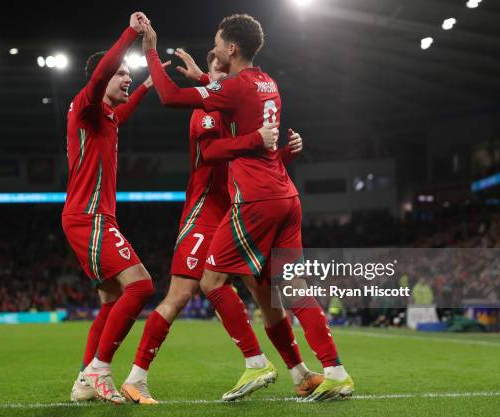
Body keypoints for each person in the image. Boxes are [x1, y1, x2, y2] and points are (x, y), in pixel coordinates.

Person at [142, 14, 354, 402]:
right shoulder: (268, 82)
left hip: (256, 200)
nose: (216, 48)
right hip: (287, 197)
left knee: (211, 281)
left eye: (219, 43)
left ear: (232, 48)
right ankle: (335, 371)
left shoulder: (237, 87)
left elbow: (170, 98)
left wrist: (151, 51)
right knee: (292, 290)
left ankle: (256, 362)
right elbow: (236, 101)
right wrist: (204, 79)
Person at [120, 50, 321, 404]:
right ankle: (137, 378)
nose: (223, 76)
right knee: (181, 293)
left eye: (224, 71)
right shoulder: (206, 111)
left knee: (267, 297)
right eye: (216, 71)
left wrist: (288, 150)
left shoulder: (242, 110)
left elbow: (260, 160)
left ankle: (300, 374)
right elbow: (213, 154)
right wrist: (258, 138)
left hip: (242, 210)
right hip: (205, 212)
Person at [62, 12, 164, 405]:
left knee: (109, 301)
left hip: (95, 218)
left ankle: (84, 383)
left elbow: (122, 113)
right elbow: (103, 71)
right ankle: (100, 370)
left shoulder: (105, 117)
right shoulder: (86, 105)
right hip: (88, 218)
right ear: (103, 79)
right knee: (140, 286)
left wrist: (147, 87)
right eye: (122, 74)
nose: (127, 78)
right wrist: (131, 34)